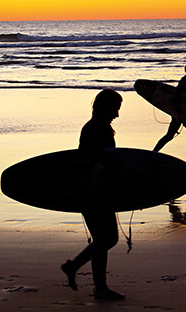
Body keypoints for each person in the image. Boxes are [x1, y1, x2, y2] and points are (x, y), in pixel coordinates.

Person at [61, 89, 125, 300]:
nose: (117, 114)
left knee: (104, 239)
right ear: (104, 107)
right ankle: (98, 286)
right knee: (106, 239)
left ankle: (82, 273)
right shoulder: (98, 129)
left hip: (92, 190)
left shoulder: (96, 127)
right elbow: (97, 162)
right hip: (93, 191)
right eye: (115, 109)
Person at [153, 61, 186, 166]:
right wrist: (179, 114)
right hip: (181, 113)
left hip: (182, 112)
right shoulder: (185, 81)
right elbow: (177, 97)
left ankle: (154, 153)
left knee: (171, 135)